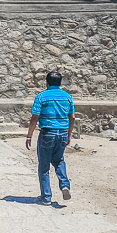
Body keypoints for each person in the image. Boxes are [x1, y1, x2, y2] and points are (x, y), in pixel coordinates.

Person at [25, 70, 75, 205]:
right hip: (63, 133)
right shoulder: (67, 97)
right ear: (60, 83)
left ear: (46, 82)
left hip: (47, 133)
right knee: (59, 161)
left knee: (44, 166)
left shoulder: (41, 97)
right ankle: (64, 185)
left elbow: (35, 118)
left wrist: (29, 136)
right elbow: (72, 117)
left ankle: (46, 197)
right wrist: (69, 134)